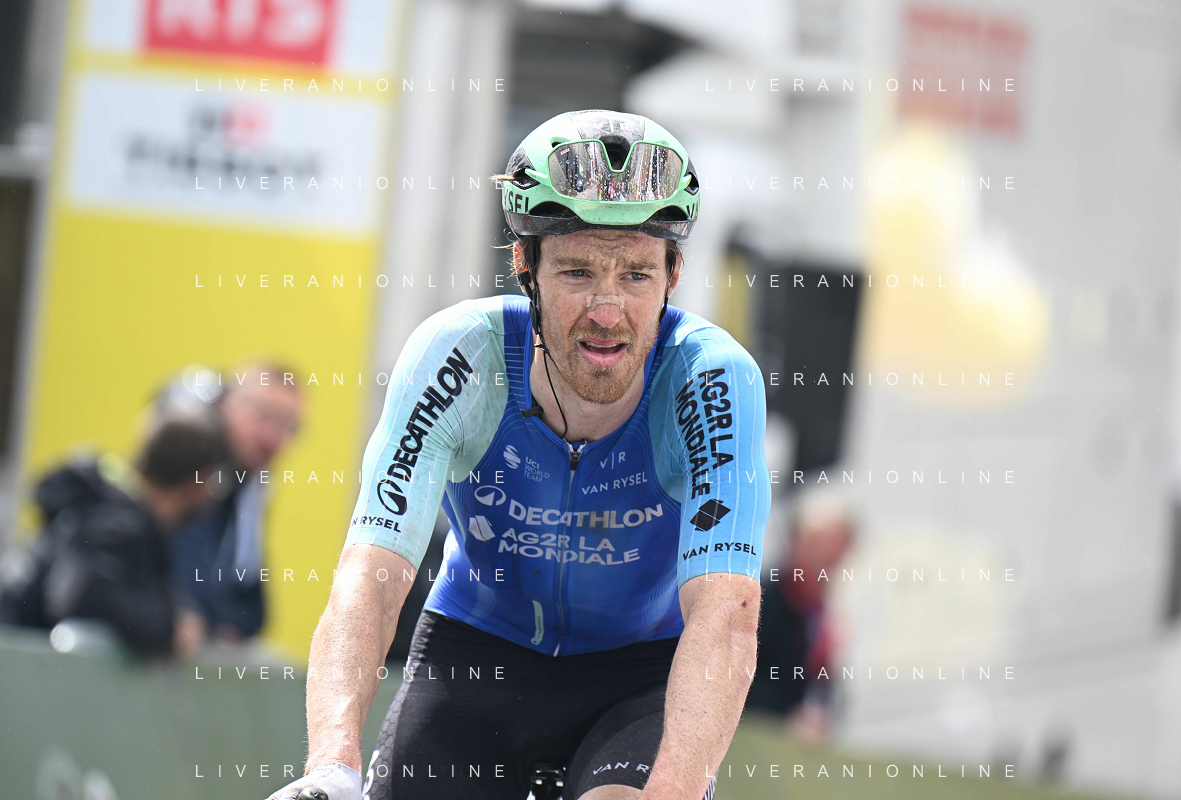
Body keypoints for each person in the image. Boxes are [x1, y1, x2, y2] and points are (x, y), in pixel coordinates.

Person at [267, 109, 770, 800]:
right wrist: (331, 766)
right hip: (476, 655)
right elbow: (373, 571)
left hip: (639, 676)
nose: (606, 309)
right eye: (576, 272)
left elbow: (726, 612)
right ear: (524, 267)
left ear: (673, 273)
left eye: (635, 275)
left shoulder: (710, 378)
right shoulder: (460, 356)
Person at [0, 413, 224, 657]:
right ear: (200, 481)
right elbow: (84, 594)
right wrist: (170, 630)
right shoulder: (115, 520)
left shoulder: (121, 515)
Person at [159, 364, 303, 643]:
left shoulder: (251, 486)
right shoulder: (195, 469)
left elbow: (252, 603)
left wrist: (227, 625)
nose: (273, 437)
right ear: (226, 404)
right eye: (264, 415)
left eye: (288, 425)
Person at [745, 495, 854, 742]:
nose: (833, 556)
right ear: (799, 543)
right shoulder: (765, 598)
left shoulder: (819, 609)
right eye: (825, 545)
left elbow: (825, 685)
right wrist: (787, 717)